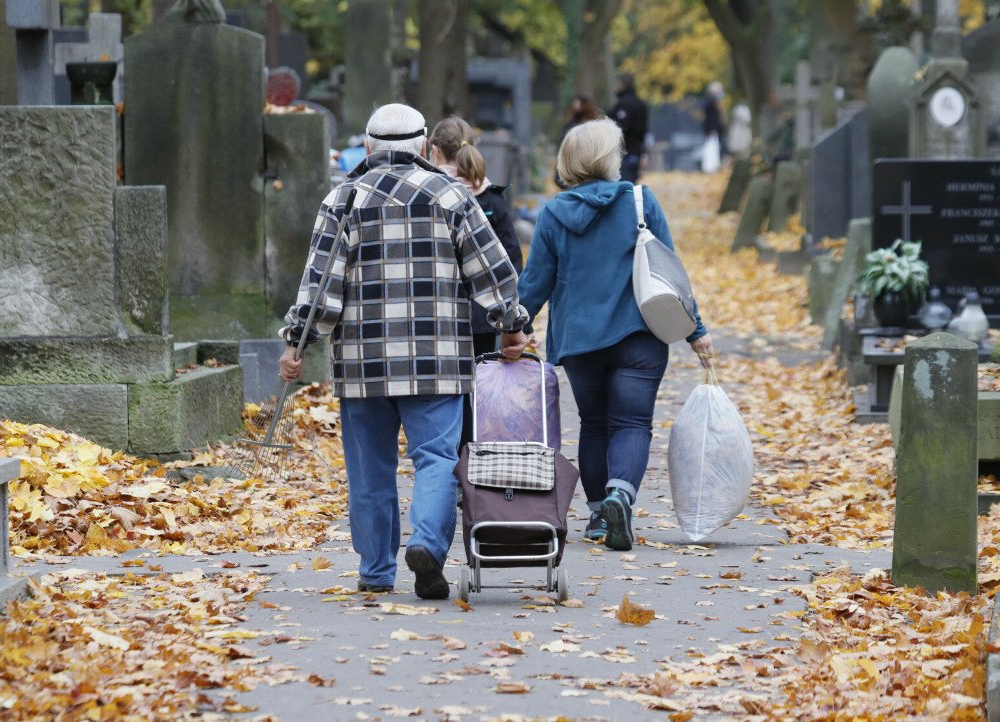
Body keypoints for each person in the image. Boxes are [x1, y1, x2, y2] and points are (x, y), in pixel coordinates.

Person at [279, 103, 530, 599]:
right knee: (436, 458)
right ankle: (429, 544)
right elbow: (492, 273)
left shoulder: (344, 199)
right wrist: (511, 327)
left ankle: (376, 571)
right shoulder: (452, 194)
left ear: (368, 147)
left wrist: (297, 341)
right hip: (436, 360)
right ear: (423, 148)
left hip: (363, 364)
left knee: (369, 469)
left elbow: (320, 286)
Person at [517, 118, 713, 552]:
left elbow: (535, 283)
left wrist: (515, 328)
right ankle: (620, 495)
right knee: (632, 423)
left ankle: (597, 518)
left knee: (594, 424)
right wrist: (695, 331)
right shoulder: (641, 202)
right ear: (610, 158)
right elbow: (670, 273)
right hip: (639, 335)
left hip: (581, 341)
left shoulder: (553, 213)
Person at [427, 116, 524, 359]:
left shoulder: (428, 197)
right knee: (480, 382)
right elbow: (511, 258)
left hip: (436, 312)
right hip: (483, 313)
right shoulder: (492, 199)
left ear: (434, 152)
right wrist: (514, 317)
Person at [610, 74, 649, 183]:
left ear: (622, 85)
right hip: (636, 151)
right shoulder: (641, 104)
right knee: (630, 185)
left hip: (623, 152)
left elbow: (620, 128)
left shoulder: (623, 105)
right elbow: (643, 130)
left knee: (623, 185)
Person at [556, 96, 602, 189]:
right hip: (574, 169)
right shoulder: (570, 126)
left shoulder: (595, 126)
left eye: (579, 104)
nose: (576, 107)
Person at [700, 81, 727, 173]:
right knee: (711, 148)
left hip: (712, 129)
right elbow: (711, 118)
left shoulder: (711, 102)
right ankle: (710, 167)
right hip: (712, 130)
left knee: (713, 148)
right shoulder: (710, 102)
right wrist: (713, 129)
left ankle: (711, 166)